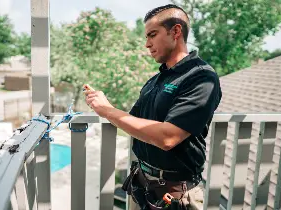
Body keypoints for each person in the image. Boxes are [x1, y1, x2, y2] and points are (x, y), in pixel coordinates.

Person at [84, 4, 222, 210]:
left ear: (176, 31)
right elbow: (132, 122)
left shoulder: (201, 77)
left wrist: (107, 110)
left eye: (152, 35)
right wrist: (103, 103)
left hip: (175, 194)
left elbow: (168, 137)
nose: (147, 44)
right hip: (142, 185)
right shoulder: (155, 80)